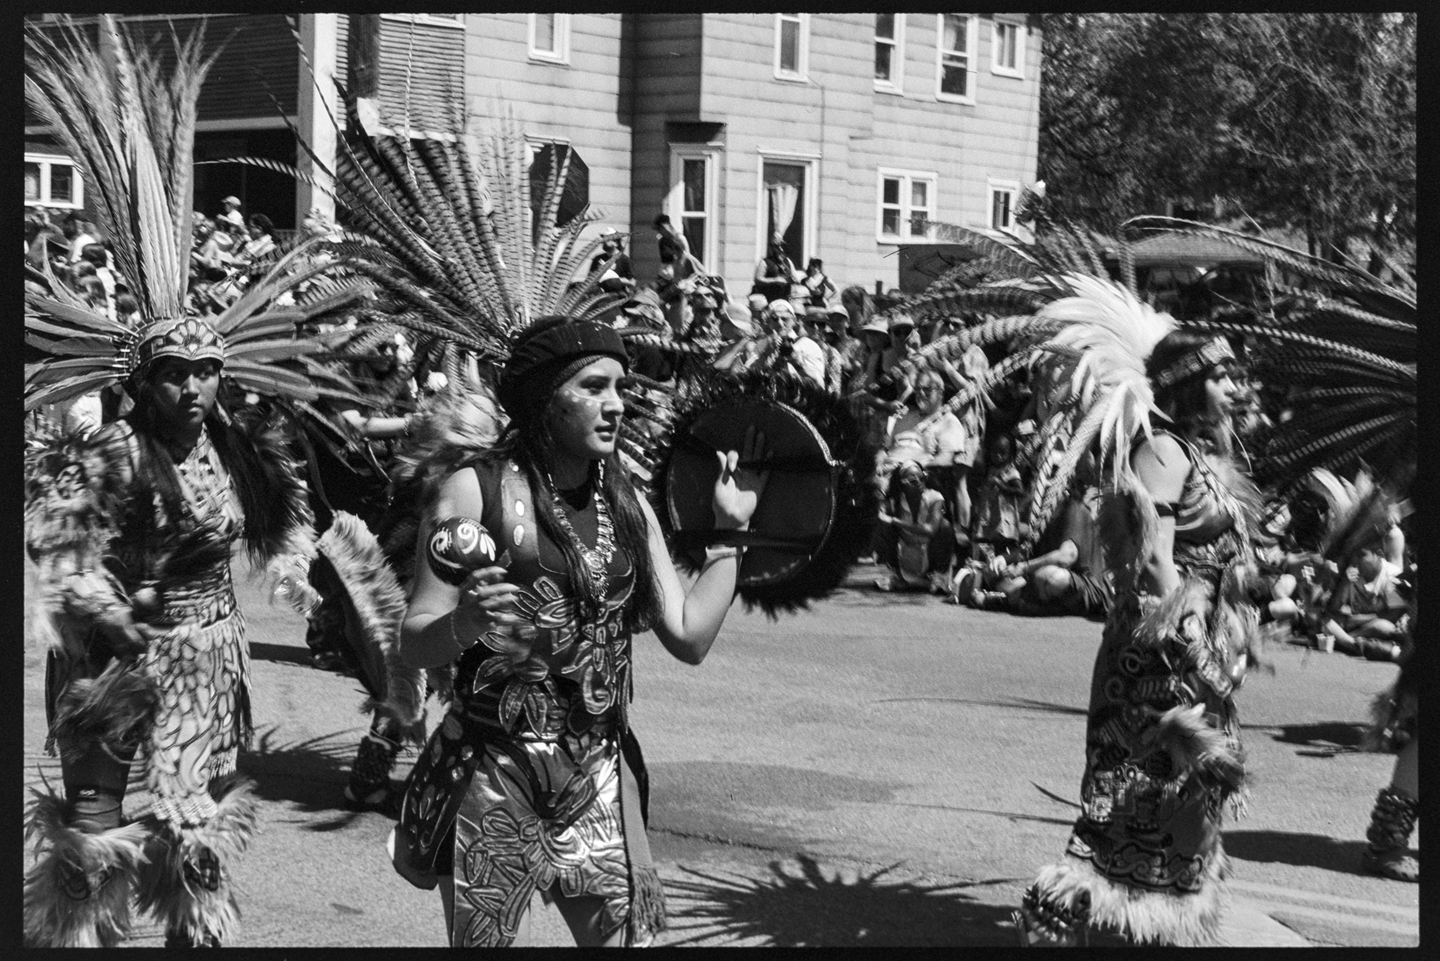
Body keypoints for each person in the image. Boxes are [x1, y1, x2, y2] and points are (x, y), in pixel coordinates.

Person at [394, 315, 770, 947]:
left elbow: (689, 634)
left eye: (619, 388)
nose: (616, 405)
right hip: (494, 772)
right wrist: (465, 622)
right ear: (547, 397)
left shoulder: (625, 501)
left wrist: (730, 536)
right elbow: (414, 635)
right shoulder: (472, 488)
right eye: (594, 387)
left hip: (597, 777)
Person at [1017, 327, 1262, 946]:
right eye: (1222, 377)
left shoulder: (1204, 455)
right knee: (1127, 796)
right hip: (1157, 655)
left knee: (1183, 798)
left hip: (1193, 647)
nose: (1235, 388)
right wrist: (1196, 649)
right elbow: (1154, 562)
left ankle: (1144, 931)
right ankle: (1050, 923)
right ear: (1186, 385)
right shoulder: (1166, 452)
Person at [1321, 538, 1407, 662]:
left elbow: (1393, 615)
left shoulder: (1391, 575)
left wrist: (1356, 620)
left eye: (1362, 555)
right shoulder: (1351, 574)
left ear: (1379, 555)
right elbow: (1332, 609)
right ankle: (1353, 644)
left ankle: (1346, 642)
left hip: (1376, 627)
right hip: (1350, 627)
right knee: (1324, 620)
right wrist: (1343, 584)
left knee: (1383, 626)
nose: (1356, 561)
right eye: (1354, 556)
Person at [875, 460, 952, 593]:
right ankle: (895, 574)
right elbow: (879, 512)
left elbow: (930, 529)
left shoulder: (935, 497)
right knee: (881, 525)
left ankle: (937, 576)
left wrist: (894, 520)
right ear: (902, 485)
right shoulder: (895, 501)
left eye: (922, 478)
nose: (920, 483)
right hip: (905, 554)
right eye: (912, 481)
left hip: (928, 554)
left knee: (944, 526)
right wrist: (880, 510)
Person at [751, 233, 795, 304]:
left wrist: (794, 280)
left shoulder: (787, 262)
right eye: (778, 250)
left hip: (785, 298)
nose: (781, 254)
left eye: (783, 251)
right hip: (768, 298)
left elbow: (795, 276)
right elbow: (758, 279)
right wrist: (775, 280)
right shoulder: (765, 262)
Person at [589, 227, 634, 295]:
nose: (603, 241)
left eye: (607, 239)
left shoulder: (624, 260)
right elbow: (589, 279)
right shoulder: (598, 259)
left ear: (615, 243)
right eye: (603, 238)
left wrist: (613, 281)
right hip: (598, 298)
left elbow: (632, 282)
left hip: (617, 298)